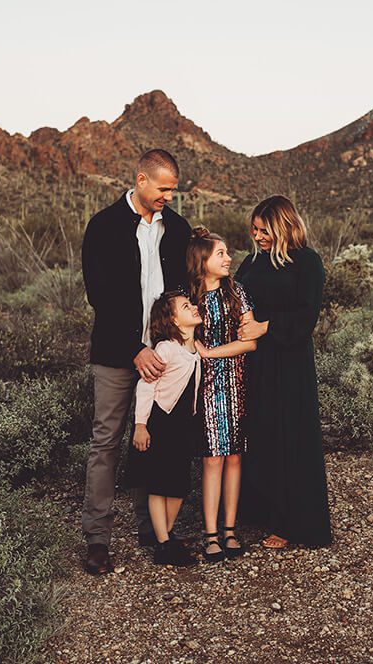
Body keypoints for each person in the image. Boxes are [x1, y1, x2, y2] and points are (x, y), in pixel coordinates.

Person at [79, 149, 191, 575]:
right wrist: (134, 348)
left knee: (155, 440)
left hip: (163, 355)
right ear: (141, 179)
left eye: (173, 190)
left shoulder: (176, 228)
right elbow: (100, 298)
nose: (168, 196)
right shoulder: (104, 227)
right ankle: (98, 538)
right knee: (107, 440)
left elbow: (182, 289)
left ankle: (153, 529)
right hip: (116, 355)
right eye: (163, 188)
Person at [236, 196, 332, 550]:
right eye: (254, 229)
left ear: (282, 225)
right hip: (254, 362)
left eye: (264, 230)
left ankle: (293, 523)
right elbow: (237, 298)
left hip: (289, 363)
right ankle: (260, 512)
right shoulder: (253, 261)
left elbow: (307, 317)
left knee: (290, 438)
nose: (257, 236)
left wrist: (265, 327)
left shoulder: (307, 262)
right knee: (260, 435)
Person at [187, 226, 261, 562]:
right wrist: (197, 352)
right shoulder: (187, 297)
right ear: (202, 261)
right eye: (221, 253)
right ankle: (210, 533)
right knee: (212, 458)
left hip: (238, 381)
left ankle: (230, 529)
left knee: (234, 456)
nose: (229, 258)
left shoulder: (237, 292)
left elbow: (251, 341)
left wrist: (210, 352)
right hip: (203, 386)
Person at [132, 291, 204, 567]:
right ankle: (163, 542)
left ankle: (167, 534)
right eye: (186, 306)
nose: (194, 308)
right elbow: (146, 386)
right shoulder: (165, 348)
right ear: (173, 319)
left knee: (178, 485)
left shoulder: (194, 347)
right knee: (159, 483)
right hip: (160, 422)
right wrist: (141, 426)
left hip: (183, 423)